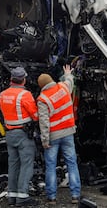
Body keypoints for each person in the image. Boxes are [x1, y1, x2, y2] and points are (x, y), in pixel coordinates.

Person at [37, 65, 81, 204]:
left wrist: (44, 140)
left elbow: (44, 122)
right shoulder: (63, 87)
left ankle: (52, 197)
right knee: (72, 163)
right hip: (68, 132)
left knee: (50, 166)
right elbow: (70, 81)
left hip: (53, 136)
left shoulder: (43, 98)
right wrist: (67, 73)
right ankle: (75, 195)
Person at [0, 67, 40, 207]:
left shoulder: (2, 95)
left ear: (11, 79)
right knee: (26, 165)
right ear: (24, 80)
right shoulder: (25, 95)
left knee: (13, 165)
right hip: (23, 134)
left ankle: (12, 196)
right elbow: (35, 115)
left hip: (9, 134)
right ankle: (22, 197)